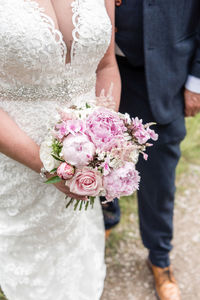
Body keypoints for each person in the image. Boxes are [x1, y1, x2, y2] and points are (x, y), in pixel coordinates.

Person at [0, 1, 121, 299]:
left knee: (79, 264)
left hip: (86, 161)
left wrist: (102, 144)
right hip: (17, 163)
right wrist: (50, 167)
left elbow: (106, 65)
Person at [110, 1, 200, 299]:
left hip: (165, 76)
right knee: (96, 157)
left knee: (159, 178)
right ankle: (107, 219)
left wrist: (196, 81)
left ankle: (160, 258)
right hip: (102, 70)